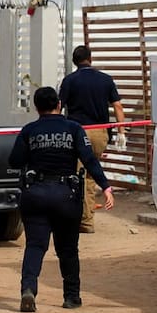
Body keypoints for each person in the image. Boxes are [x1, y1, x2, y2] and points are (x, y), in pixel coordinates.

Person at [9, 86, 114, 313]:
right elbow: (89, 160)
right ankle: (71, 297)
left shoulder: (29, 130)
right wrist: (105, 186)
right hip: (66, 195)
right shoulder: (74, 129)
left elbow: (14, 160)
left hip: (35, 194)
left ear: (37, 108)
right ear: (59, 105)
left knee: (35, 246)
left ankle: (28, 289)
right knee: (67, 249)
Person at [57, 45, 126, 234]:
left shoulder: (69, 81)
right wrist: (121, 132)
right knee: (89, 175)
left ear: (74, 61)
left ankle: (79, 220)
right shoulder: (106, 79)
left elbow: (59, 106)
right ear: (91, 58)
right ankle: (85, 221)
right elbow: (118, 106)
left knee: (77, 176)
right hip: (100, 133)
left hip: (78, 132)